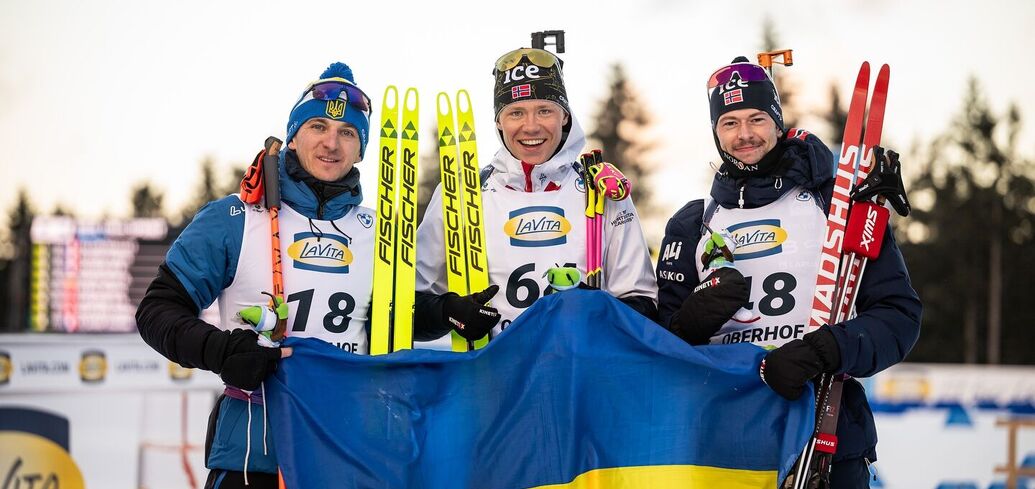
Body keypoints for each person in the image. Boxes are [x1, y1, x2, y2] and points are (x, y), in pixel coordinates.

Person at [655, 56, 922, 487]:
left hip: (826, 434)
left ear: (777, 122)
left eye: (757, 118)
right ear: (715, 132)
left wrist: (825, 350)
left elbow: (898, 317)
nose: (744, 134)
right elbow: (659, 347)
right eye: (729, 122)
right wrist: (691, 320)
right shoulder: (692, 223)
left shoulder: (835, 206)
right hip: (720, 441)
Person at [137, 61, 391, 489]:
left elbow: (401, 315)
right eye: (317, 127)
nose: (332, 143)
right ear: (293, 136)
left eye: (347, 132)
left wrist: (448, 310)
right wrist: (221, 351)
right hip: (253, 456)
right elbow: (157, 310)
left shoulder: (381, 231)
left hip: (347, 453)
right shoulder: (236, 217)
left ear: (361, 148)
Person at [414, 47, 658, 341]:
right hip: (495, 375)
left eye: (545, 110)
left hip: (581, 372)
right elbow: (410, 310)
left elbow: (643, 303)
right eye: (516, 112)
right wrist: (448, 311)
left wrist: (599, 310)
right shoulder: (462, 193)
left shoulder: (600, 191)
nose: (531, 126)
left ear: (565, 116)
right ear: (498, 122)